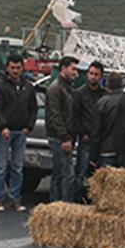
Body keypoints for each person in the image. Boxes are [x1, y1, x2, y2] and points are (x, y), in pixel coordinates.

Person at [0, 54, 37, 212]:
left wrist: (29, 126)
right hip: (5, 131)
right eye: (12, 68)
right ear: (7, 68)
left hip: (21, 131)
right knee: (1, 166)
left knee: (18, 167)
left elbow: (33, 109)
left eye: (18, 68)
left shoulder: (28, 86)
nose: (15, 71)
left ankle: (15, 199)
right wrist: (2, 126)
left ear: (22, 68)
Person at [45, 56, 79, 202]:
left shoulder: (67, 87)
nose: (75, 73)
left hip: (64, 136)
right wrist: (64, 138)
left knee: (59, 172)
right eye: (73, 69)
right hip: (59, 138)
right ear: (63, 68)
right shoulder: (56, 88)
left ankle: (56, 203)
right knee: (67, 173)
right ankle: (65, 204)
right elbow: (55, 115)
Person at [72, 61, 106, 201]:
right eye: (91, 74)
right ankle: (78, 199)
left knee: (97, 173)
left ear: (101, 76)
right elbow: (75, 115)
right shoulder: (80, 93)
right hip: (86, 139)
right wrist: (82, 133)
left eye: (96, 74)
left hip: (99, 139)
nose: (93, 77)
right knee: (81, 171)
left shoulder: (104, 94)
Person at [96, 73, 125, 167]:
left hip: (107, 148)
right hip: (124, 148)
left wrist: (94, 153)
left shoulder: (103, 102)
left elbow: (97, 128)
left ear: (107, 84)